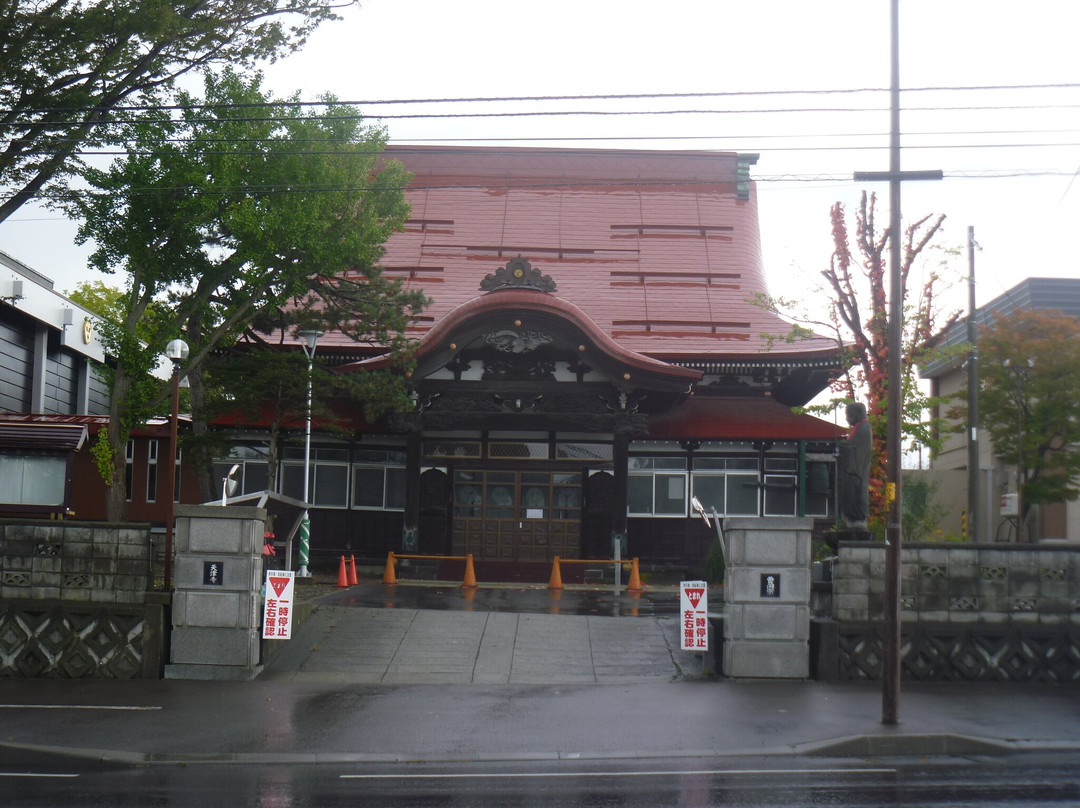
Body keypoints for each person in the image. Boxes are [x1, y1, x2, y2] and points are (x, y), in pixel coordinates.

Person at [838, 401, 872, 529]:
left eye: (848, 415)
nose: (847, 418)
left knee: (854, 494)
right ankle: (851, 518)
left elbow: (854, 448)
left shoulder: (864, 428)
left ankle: (856, 518)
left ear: (856, 414)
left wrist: (842, 446)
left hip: (855, 471)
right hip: (853, 470)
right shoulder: (860, 428)